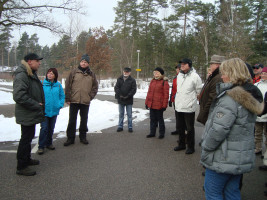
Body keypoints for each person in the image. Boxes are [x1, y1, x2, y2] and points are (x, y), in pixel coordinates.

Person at [200, 58, 263, 200]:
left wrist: (206, 147)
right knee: (231, 191)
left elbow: (218, 130)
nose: (222, 76)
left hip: (224, 157)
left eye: (224, 73)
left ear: (233, 74)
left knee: (212, 192)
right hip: (238, 156)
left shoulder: (230, 99)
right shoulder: (247, 96)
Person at [13, 53, 45, 176]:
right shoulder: (22, 75)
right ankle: (21, 166)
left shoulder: (29, 73)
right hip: (27, 113)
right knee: (25, 139)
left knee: (29, 137)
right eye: (38, 61)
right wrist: (36, 104)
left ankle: (26, 159)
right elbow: (19, 96)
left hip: (30, 113)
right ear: (30, 61)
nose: (40, 63)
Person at [64, 54, 98, 146]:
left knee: (84, 120)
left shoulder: (92, 74)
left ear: (88, 63)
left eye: (85, 62)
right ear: (80, 62)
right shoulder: (74, 72)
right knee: (72, 120)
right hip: (74, 100)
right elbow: (67, 85)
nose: (83, 63)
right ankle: (70, 138)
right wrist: (67, 97)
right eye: (82, 61)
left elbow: (95, 87)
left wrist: (90, 96)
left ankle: (83, 137)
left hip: (85, 102)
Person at [173, 58, 202, 154]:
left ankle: (190, 147)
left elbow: (199, 90)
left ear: (189, 65)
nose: (182, 65)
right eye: (181, 63)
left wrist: (194, 100)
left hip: (189, 107)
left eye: (184, 64)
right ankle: (181, 144)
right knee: (180, 127)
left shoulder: (195, 76)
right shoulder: (179, 76)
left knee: (189, 128)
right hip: (179, 106)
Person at [37, 68, 65, 155]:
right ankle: (41, 146)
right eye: (48, 73)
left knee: (51, 128)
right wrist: (39, 104)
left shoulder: (58, 85)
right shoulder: (42, 84)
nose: (50, 75)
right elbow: (37, 95)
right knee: (44, 128)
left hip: (54, 110)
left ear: (55, 75)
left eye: (52, 73)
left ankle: (49, 143)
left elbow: (62, 96)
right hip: (44, 110)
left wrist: (59, 105)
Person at [197, 55, 225, 125]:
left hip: (209, 112)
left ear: (217, 65)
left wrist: (203, 113)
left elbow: (212, 98)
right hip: (207, 110)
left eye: (211, 64)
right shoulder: (214, 76)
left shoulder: (218, 78)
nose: (210, 66)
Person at [145, 67, 169, 139]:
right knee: (152, 119)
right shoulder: (152, 81)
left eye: (157, 72)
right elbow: (149, 93)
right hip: (151, 104)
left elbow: (166, 95)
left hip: (159, 105)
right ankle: (152, 132)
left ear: (161, 73)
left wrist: (164, 105)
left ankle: (161, 133)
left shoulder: (164, 82)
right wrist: (147, 102)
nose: (155, 74)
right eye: (154, 72)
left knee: (160, 119)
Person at [114, 67, 137, 132]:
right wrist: (120, 95)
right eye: (125, 71)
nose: (125, 73)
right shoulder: (119, 79)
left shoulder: (132, 80)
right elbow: (116, 88)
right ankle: (120, 126)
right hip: (120, 99)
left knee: (129, 114)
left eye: (127, 72)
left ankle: (130, 127)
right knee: (121, 114)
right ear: (123, 71)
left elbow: (133, 89)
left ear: (130, 73)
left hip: (129, 100)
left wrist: (128, 95)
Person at [254, 67, 267, 155]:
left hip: (266, 113)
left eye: (265, 74)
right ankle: (258, 148)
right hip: (258, 111)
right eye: (262, 73)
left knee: (266, 133)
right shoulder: (256, 85)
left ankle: (265, 152)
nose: (263, 75)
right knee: (257, 132)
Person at [169, 64, 181, 135]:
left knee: (181, 116)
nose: (177, 70)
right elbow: (173, 89)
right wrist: (171, 99)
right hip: (175, 99)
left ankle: (182, 131)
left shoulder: (183, 77)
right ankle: (178, 129)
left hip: (181, 100)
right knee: (177, 116)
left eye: (178, 68)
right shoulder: (175, 78)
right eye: (176, 69)